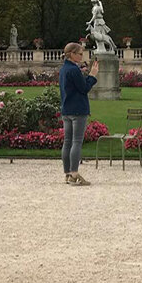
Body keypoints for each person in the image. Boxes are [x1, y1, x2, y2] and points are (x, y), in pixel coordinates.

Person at [59, 42, 98, 186]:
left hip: (66, 109)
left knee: (67, 142)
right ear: (72, 54)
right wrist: (92, 76)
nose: (82, 56)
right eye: (80, 54)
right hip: (78, 109)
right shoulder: (74, 70)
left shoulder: (64, 69)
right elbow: (84, 88)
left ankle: (67, 173)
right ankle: (74, 173)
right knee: (76, 142)